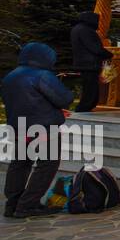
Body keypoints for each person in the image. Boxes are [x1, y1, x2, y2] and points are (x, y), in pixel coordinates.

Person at [2, 42, 75, 219]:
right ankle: (28, 205)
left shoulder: (11, 76)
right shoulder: (43, 75)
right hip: (44, 129)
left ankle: (12, 204)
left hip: (19, 128)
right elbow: (63, 98)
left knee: (20, 164)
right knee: (47, 165)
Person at [69, 10, 110, 112]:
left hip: (83, 62)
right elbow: (94, 47)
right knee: (90, 87)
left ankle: (87, 105)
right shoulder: (86, 30)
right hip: (90, 63)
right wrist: (108, 54)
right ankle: (84, 106)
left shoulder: (77, 29)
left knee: (89, 86)